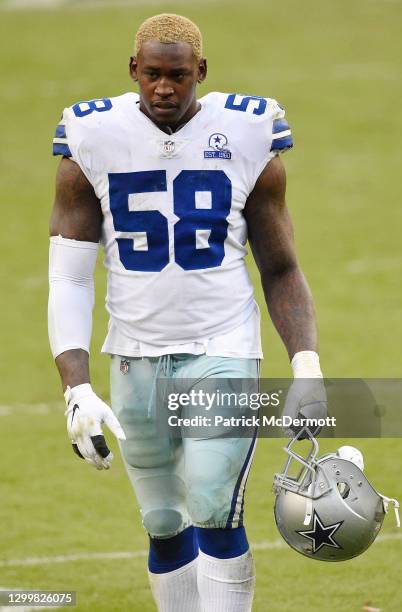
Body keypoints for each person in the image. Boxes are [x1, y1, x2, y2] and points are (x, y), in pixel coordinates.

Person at [48, 13, 326, 612]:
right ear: (133, 71)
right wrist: (75, 387)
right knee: (162, 518)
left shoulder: (248, 132)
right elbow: (69, 273)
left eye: (177, 75)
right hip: (133, 358)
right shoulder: (91, 135)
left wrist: (306, 367)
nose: (164, 88)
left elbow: (280, 266)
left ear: (200, 71)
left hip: (222, 346)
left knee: (211, 502)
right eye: (152, 75)